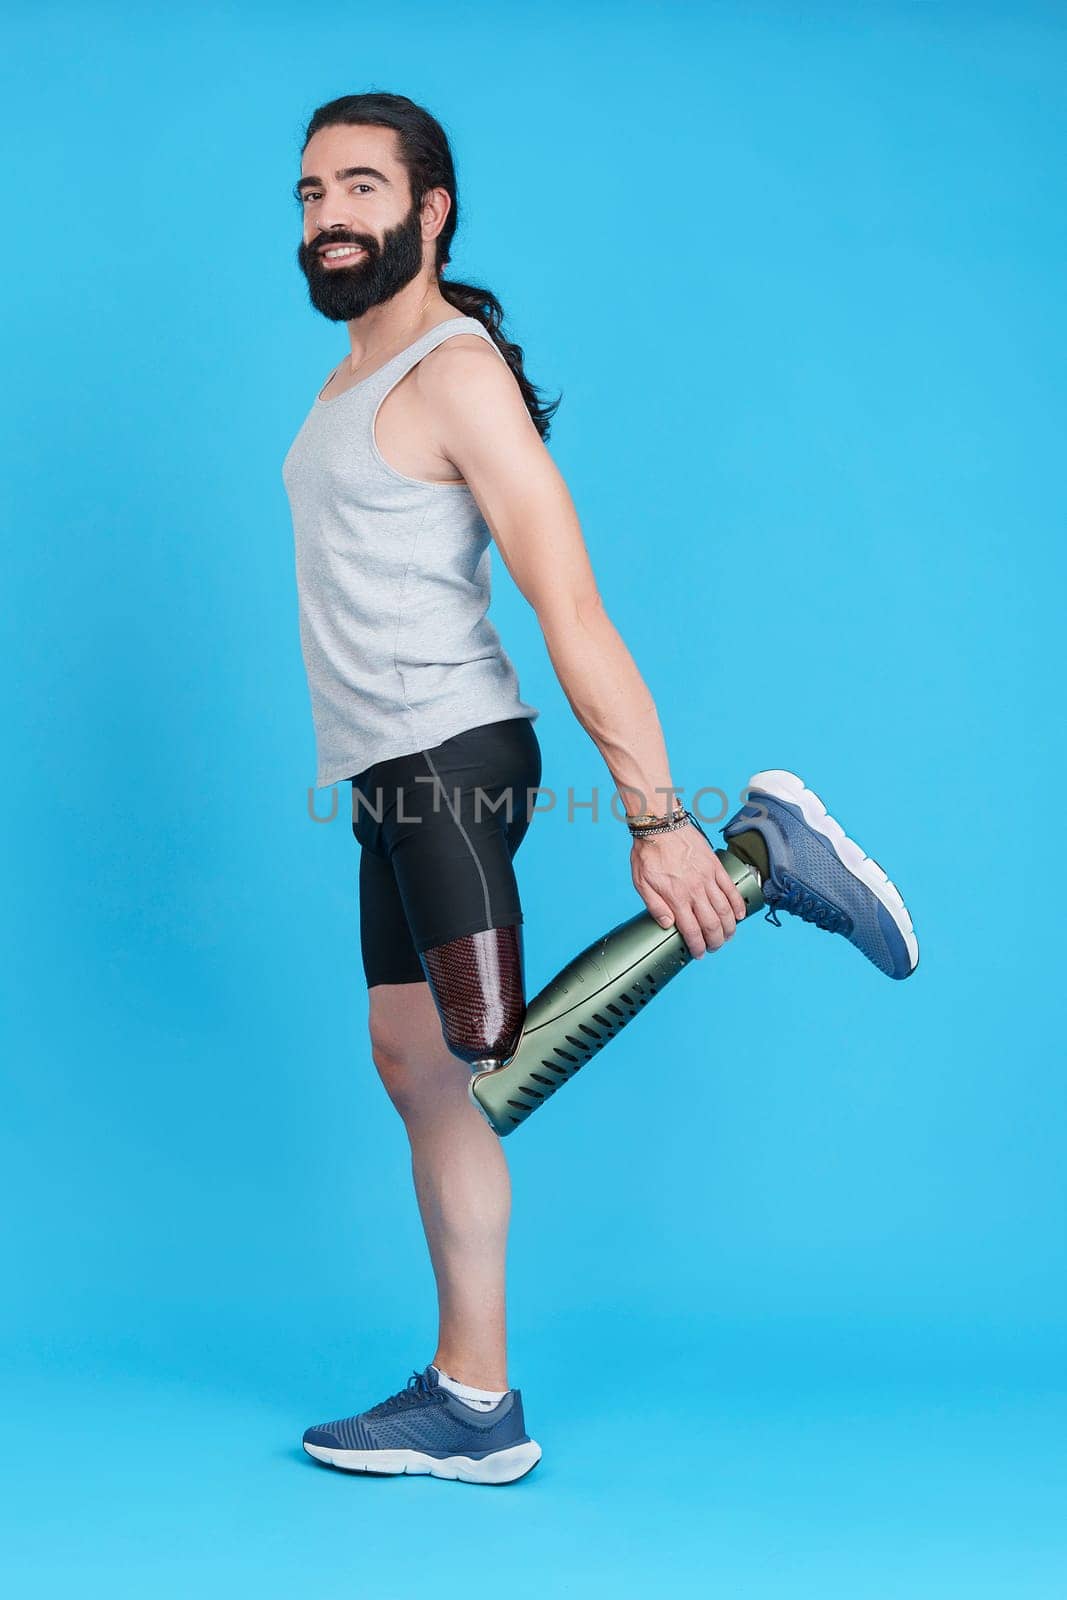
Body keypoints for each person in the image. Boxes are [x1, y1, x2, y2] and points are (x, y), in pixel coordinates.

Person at [281, 92, 918, 1487]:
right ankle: (472, 1402)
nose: (331, 216)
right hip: (388, 775)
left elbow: (568, 601)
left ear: (430, 212)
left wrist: (654, 814)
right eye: (313, 193)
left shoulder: (452, 373)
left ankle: (762, 854)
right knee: (418, 1069)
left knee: (482, 1066)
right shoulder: (350, 380)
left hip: (452, 757)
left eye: (361, 189)